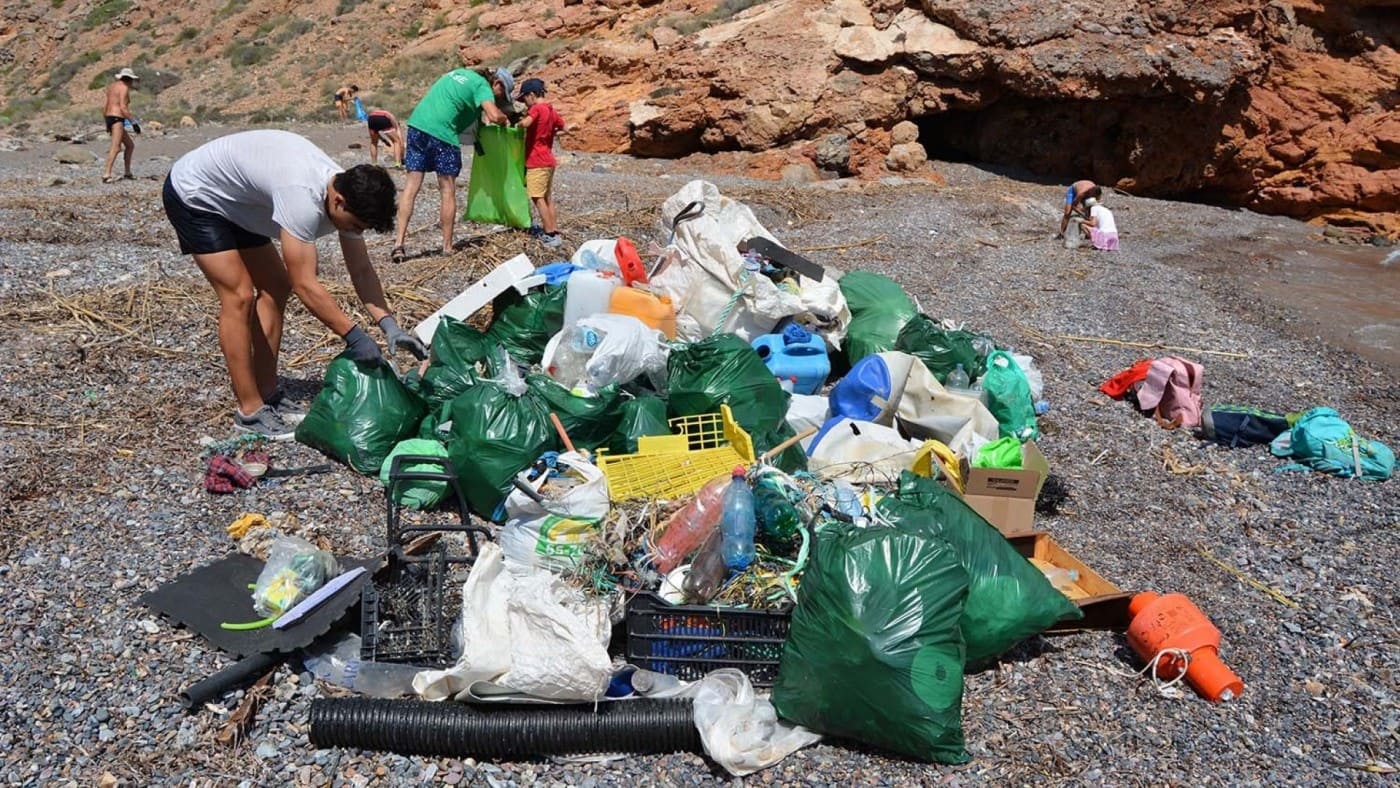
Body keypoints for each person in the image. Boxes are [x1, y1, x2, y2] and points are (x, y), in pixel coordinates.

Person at [162, 129, 427, 440]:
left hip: (239, 203)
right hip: (196, 194)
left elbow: (361, 270)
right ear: (338, 200)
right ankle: (249, 412)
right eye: (356, 225)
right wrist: (355, 337)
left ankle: (268, 391)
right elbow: (305, 284)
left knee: (276, 285)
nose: (356, 231)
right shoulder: (302, 197)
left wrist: (389, 326)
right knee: (239, 295)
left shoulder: (346, 193)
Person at [390, 67, 513, 262]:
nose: (500, 99)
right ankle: (447, 247)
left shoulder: (459, 73)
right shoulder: (483, 87)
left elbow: (460, 108)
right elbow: (493, 116)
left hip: (417, 125)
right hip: (443, 134)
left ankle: (398, 244)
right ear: (497, 83)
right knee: (447, 190)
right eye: (502, 94)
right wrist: (505, 119)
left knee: (411, 186)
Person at [516, 78, 567, 249]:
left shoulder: (536, 109)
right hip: (549, 160)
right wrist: (548, 133)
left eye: (524, 99)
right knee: (547, 197)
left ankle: (550, 234)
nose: (525, 103)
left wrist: (519, 124)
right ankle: (554, 228)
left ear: (531, 94)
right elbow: (563, 126)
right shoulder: (551, 110)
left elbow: (526, 123)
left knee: (537, 197)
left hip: (536, 161)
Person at [101, 68, 139, 183]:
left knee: (129, 145)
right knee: (116, 147)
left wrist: (107, 122)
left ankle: (127, 172)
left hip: (109, 117)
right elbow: (123, 107)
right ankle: (107, 174)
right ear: (129, 79)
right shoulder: (124, 88)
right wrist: (133, 122)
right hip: (117, 118)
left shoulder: (112, 87)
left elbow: (106, 105)